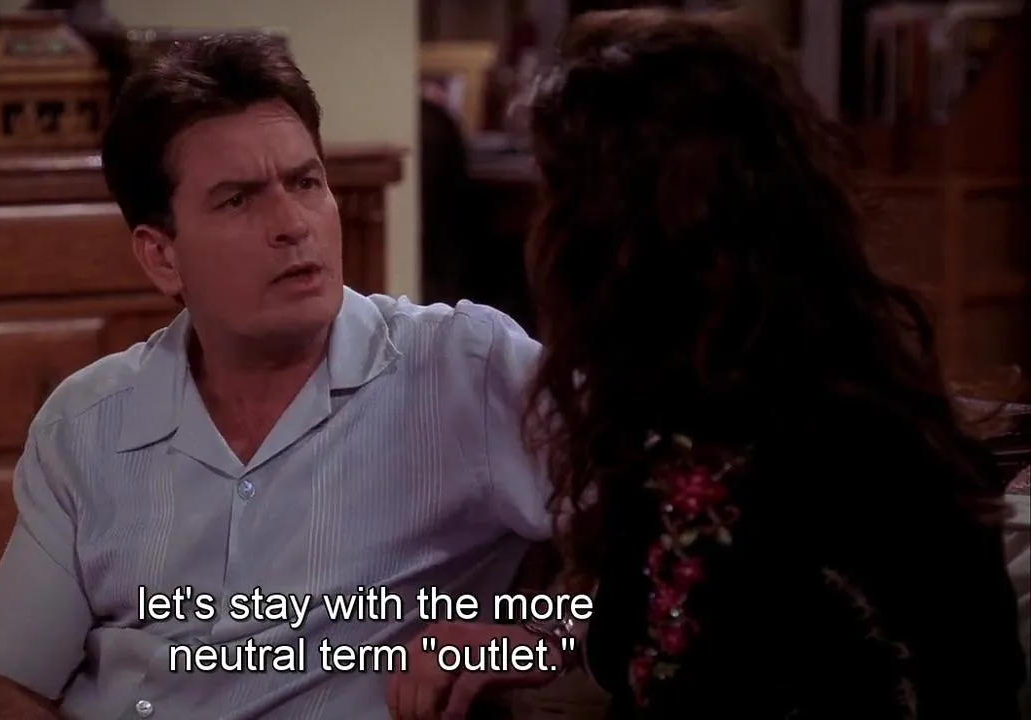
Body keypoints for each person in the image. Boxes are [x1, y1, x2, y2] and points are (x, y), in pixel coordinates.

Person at [394, 8, 1027, 719]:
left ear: (626, 239)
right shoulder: (678, 426)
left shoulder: (860, 470)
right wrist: (531, 639)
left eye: (557, 200)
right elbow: (638, 620)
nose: (538, 238)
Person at [0, 33, 553, 719]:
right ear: (161, 257)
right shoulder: (85, 426)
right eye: (238, 200)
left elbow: (646, 541)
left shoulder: (461, 369)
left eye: (306, 183)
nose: (292, 224)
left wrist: (533, 640)